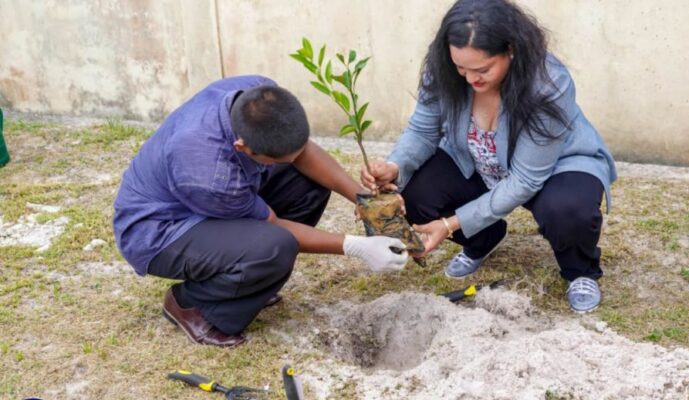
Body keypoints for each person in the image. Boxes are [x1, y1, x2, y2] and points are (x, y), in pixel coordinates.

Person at [362, 0, 617, 313]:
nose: (470, 80)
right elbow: (422, 132)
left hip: (555, 168)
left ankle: (580, 270)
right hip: (478, 162)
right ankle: (484, 237)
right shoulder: (442, 70)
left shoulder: (549, 83)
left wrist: (449, 223)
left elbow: (525, 179)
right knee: (413, 194)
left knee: (568, 210)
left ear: (511, 50)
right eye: (460, 68)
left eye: (482, 69)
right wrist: (394, 166)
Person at [113, 75, 407, 347]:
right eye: (276, 158)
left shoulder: (259, 95)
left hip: (200, 201)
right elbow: (275, 225)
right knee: (273, 247)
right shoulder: (209, 174)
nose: (293, 157)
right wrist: (357, 247)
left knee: (309, 183)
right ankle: (193, 304)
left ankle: (246, 284)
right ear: (242, 147)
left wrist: (362, 198)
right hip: (160, 230)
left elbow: (302, 153)